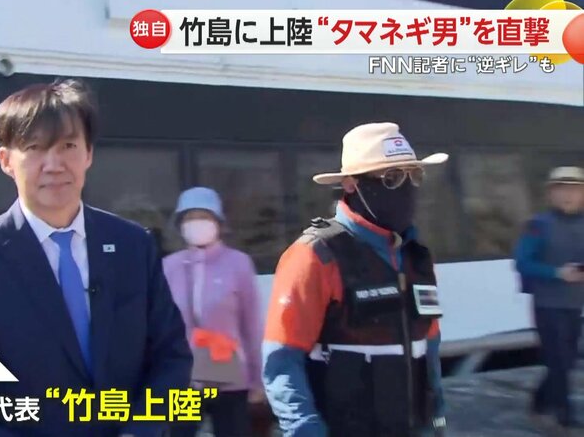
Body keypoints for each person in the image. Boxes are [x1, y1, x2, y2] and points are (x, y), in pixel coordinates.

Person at [0, 79, 192, 437]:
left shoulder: (132, 246)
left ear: (89, 153)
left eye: (68, 146)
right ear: (6, 161)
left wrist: (141, 429)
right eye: (34, 148)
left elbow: (172, 357)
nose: (54, 164)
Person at [262, 122, 448, 437]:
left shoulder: (417, 257)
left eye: (414, 176)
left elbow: (429, 346)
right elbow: (282, 361)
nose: (407, 189)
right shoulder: (315, 256)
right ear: (351, 184)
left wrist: (438, 417)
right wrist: (304, 430)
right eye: (392, 178)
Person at [163, 187, 264, 437]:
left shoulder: (238, 263)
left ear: (218, 222)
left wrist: (257, 379)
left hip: (230, 377)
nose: (196, 223)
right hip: (183, 379)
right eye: (189, 217)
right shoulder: (169, 266)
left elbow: (252, 326)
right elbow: (159, 328)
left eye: (204, 216)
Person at [514, 166, 584, 428]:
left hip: (574, 303)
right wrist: (557, 273)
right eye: (561, 189)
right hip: (547, 303)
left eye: (575, 190)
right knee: (558, 359)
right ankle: (563, 414)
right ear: (550, 194)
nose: (568, 195)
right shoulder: (539, 225)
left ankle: (540, 400)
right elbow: (522, 263)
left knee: (567, 359)